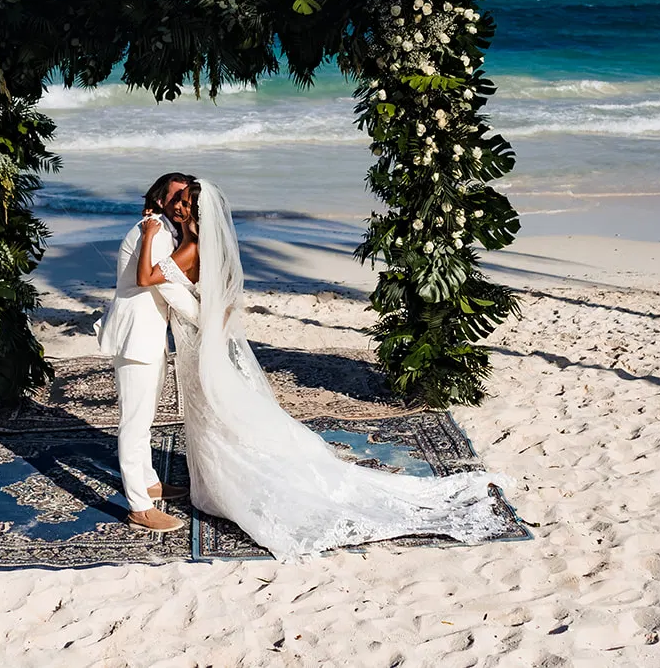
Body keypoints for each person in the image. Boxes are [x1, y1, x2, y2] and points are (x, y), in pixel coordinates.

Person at [138, 177, 514, 561]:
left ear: (197, 212)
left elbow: (147, 277)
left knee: (216, 416)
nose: (177, 207)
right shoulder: (208, 247)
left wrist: (150, 234)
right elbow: (226, 299)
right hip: (207, 341)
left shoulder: (191, 247)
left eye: (183, 202)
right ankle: (217, 482)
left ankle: (226, 487)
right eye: (177, 201)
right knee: (219, 416)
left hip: (202, 345)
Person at [95, 172, 195, 532]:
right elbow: (166, 288)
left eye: (187, 196)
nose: (183, 202)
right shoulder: (149, 230)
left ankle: (150, 482)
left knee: (146, 418)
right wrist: (207, 319)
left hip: (151, 336)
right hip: (136, 336)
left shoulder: (168, 231)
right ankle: (138, 505)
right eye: (176, 196)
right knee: (134, 423)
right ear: (159, 200)